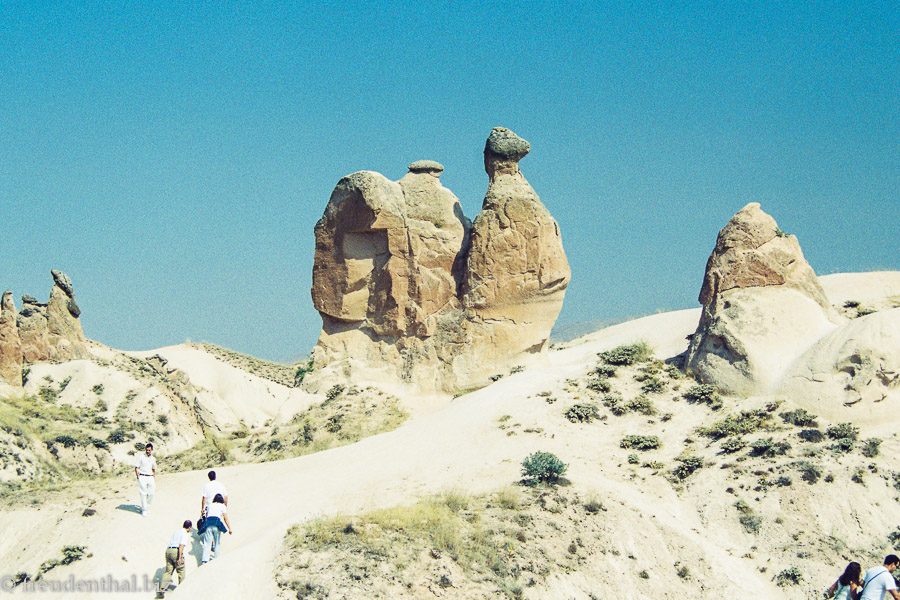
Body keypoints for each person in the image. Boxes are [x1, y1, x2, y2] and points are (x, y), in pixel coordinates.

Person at [199, 494, 232, 564]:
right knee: (217, 543)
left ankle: (204, 560)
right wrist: (229, 528)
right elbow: (225, 518)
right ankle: (217, 559)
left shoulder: (210, 505)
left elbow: (207, 516)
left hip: (208, 525)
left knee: (207, 543)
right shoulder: (222, 506)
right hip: (216, 525)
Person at [160, 520, 192, 590]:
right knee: (181, 570)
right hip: (176, 551)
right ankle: (181, 590)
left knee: (168, 571)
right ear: (189, 527)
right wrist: (180, 557)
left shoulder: (177, 531)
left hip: (169, 550)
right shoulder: (185, 533)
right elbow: (181, 545)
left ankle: (162, 589)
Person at [134, 443, 156, 516]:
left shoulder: (153, 459)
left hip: (150, 477)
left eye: (149, 450)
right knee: (143, 493)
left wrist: (153, 477)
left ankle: (147, 507)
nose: (148, 451)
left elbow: (153, 468)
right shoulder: (141, 457)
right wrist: (138, 477)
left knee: (151, 493)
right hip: (142, 476)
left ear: (151, 450)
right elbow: (136, 467)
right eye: (147, 450)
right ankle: (144, 510)